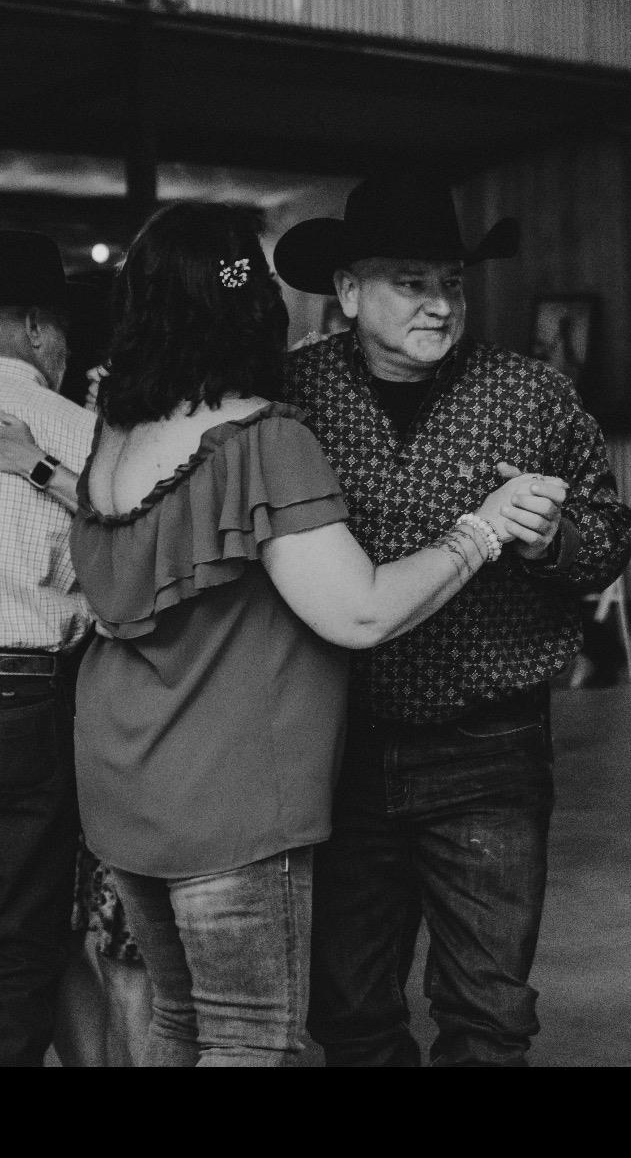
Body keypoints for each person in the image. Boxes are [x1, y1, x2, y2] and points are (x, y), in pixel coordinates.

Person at [65, 200, 567, 1068]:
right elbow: (358, 610)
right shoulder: (264, 437)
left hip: (124, 784)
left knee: (179, 1020)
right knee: (249, 1039)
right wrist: (482, 529)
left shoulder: (117, 431)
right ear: (256, 302)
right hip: (228, 797)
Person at [274, 170, 631, 1068]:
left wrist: (552, 540)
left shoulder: (532, 396)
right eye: (411, 283)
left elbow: (606, 541)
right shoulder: (288, 399)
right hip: (335, 749)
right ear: (347, 291)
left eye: (452, 282)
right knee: (350, 1010)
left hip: (489, 748)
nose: (440, 305)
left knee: (488, 1015)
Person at [0, 230, 95, 1067]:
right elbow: (119, 569)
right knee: (21, 927)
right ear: (34, 326)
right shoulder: (74, 431)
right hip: (26, 692)